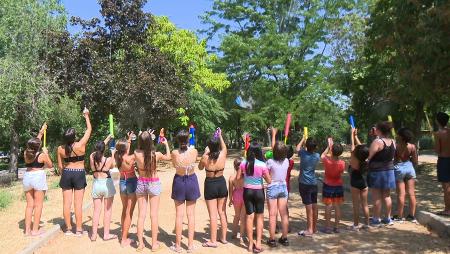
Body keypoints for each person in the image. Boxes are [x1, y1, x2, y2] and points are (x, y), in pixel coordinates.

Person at [135, 130, 171, 252]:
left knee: (141, 215)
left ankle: (140, 244)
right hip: (153, 182)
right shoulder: (156, 154)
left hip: (141, 183)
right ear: (151, 141)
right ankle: (154, 245)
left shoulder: (136, 153)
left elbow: (140, 147)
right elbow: (169, 157)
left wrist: (143, 136)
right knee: (153, 215)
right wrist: (165, 144)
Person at [57, 107, 91, 236]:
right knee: (78, 203)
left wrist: (64, 173)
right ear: (74, 137)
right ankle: (79, 229)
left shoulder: (60, 148)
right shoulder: (80, 145)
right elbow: (89, 130)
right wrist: (86, 116)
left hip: (66, 173)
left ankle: (69, 229)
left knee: (67, 203)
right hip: (78, 173)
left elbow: (60, 167)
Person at [237, 142, 271, 253]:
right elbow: (269, 180)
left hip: (247, 191)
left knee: (249, 217)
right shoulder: (262, 164)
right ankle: (258, 243)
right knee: (260, 217)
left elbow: (238, 177)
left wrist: (244, 174)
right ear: (259, 152)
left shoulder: (243, 163)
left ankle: (250, 244)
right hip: (259, 192)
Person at [170, 130, 200, 253]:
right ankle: (190, 245)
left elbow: (174, 165)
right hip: (192, 180)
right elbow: (195, 163)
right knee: (191, 215)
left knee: (179, 215)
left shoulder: (174, 153)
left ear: (178, 140)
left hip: (179, 181)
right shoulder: (194, 151)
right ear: (188, 140)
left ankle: (177, 246)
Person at [199, 129, 229, 248]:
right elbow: (224, 146)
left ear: (209, 147)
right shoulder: (223, 154)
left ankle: (213, 240)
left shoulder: (206, 158)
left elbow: (200, 168)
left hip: (210, 184)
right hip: (221, 183)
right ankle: (224, 238)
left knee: (213, 215)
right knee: (222, 212)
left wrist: (205, 153)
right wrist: (220, 136)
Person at [23, 123, 53, 236]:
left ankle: (27, 231)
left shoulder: (26, 153)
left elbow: (35, 143)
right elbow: (50, 165)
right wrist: (46, 153)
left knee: (29, 205)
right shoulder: (41, 155)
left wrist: (41, 131)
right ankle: (35, 230)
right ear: (38, 147)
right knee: (38, 205)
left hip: (27, 177)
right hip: (38, 177)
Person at [367, 121, 396, 226]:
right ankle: (388, 218)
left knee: (377, 197)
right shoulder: (393, 141)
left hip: (378, 172)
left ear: (379, 130)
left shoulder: (377, 142)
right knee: (387, 196)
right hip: (389, 171)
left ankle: (376, 219)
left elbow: (369, 157)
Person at [89, 135, 117, 241]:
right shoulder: (109, 159)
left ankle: (94, 235)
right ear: (104, 149)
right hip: (107, 184)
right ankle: (106, 235)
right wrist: (113, 153)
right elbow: (113, 166)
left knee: (96, 211)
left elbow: (99, 149)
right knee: (107, 210)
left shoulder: (92, 157)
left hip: (96, 184)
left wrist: (106, 139)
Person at [266, 128, 289, 247]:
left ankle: (272, 239)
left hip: (272, 187)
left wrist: (273, 134)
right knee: (283, 214)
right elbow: (276, 150)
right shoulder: (287, 161)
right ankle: (284, 238)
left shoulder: (270, 162)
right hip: (283, 188)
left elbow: (273, 150)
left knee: (272, 214)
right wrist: (274, 135)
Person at [115, 133, 137, 247]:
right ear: (125, 149)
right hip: (131, 182)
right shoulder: (131, 158)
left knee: (124, 210)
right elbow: (139, 153)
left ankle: (124, 233)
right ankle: (124, 239)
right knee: (129, 211)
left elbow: (125, 150)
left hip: (122, 182)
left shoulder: (117, 156)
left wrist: (129, 140)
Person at [296, 135, 320, 237]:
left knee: (309, 207)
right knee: (314, 206)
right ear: (315, 147)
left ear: (306, 146)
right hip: (313, 184)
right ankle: (314, 228)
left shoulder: (303, 154)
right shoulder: (317, 156)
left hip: (304, 184)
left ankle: (309, 230)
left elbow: (297, 147)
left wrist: (302, 139)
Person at [393, 128, 418, 223]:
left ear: (401, 137)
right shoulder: (412, 146)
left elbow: (393, 159)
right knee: (411, 193)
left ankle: (399, 216)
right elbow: (415, 161)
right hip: (409, 168)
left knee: (401, 194)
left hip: (399, 168)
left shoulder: (396, 146)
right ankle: (412, 216)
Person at [320, 138, 345, 233]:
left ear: (331, 151)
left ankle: (327, 227)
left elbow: (322, 155)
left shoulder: (327, 161)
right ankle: (337, 227)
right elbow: (341, 172)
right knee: (337, 206)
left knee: (328, 206)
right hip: (338, 186)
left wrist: (328, 146)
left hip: (328, 185)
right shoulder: (342, 163)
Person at [349, 128, 370, 231]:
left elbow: (354, 148)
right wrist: (356, 136)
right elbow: (363, 149)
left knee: (356, 205)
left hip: (355, 182)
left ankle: (356, 224)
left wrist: (352, 136)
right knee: (365, 204)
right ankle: (367, 223)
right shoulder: (366, 158)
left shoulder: (354, 158)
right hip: (364, 183)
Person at [434, 112, 450, 216]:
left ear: (438, 121)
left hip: (444, 160)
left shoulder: (438, 134)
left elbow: (437, 150)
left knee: (446, 187)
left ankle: (447, 210)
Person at [228, 158, 245, 244]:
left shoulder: (232, 177)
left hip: (236, 196)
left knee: (237, 216)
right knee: (243, 217)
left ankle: (234, 233)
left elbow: (230, 191)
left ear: (234, 166)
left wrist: (230, 200)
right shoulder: (245, 176)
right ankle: (241, 237)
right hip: (245, 195)